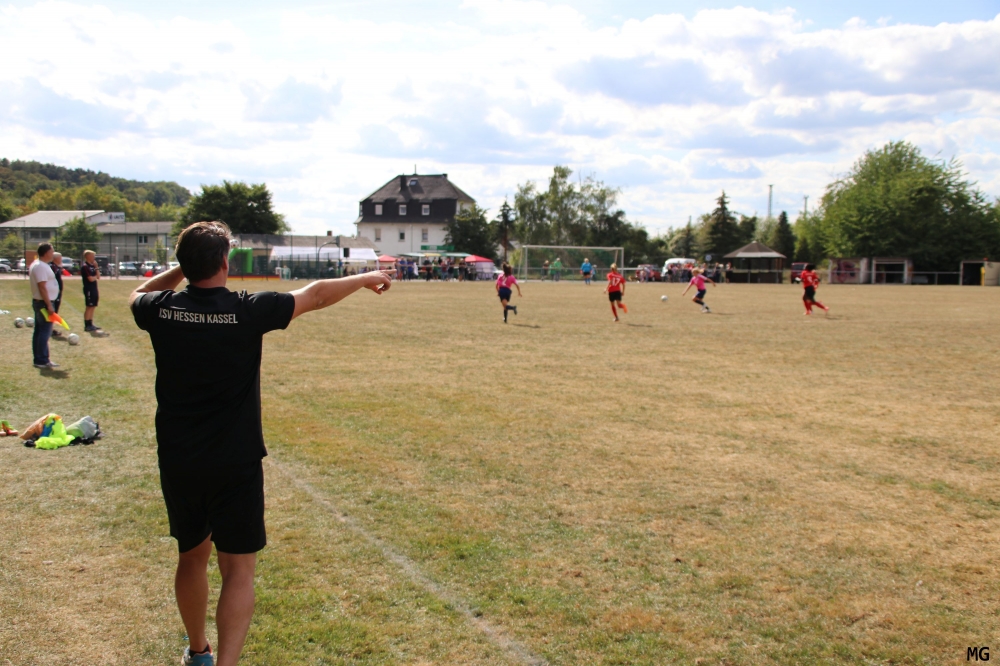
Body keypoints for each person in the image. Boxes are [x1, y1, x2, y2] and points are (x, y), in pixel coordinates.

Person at [129, 221, 391, 666]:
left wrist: (181, 268)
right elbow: (317, 295)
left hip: (179, 457)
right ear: (225, 262)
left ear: (186, 264)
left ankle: (198, 651)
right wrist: (366, 276)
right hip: (235, 459)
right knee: (238, 569)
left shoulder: (160, 308)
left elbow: (137, 293)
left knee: (191, 557)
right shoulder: (246, 309)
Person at [28, 243, 59, 369]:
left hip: (42, 302)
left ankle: (40, 359)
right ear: (46, 253)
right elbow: (42, 287)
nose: (53, 254)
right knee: (44, 332)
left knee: (40, 331)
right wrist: (49, 305)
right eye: (52, 251)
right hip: (43, 303)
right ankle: (42, 360)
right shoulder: (40, 266)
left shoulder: (40, 265)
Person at [81, 250, 104, 332]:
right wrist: (95, 277)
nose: (94, 257)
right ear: (88, 256)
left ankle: (91, 323)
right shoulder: (85, 266)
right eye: (93, 256)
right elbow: (90, 279)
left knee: (93, 306)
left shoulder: (93, 266)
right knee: (89, 306)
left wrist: (96, 267)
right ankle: (87, 325)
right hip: (88, 289)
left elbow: (98, 276)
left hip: (94, 288)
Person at [48, 252, 65, 337]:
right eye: (60, 258)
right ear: (55, 258)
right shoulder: (52, 267)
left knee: (55, 310)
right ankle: (49, 329)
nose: (61, 259)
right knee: (53, 310)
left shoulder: (56, 267)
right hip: (53, 293)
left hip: (56, 292)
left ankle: (50, 328)